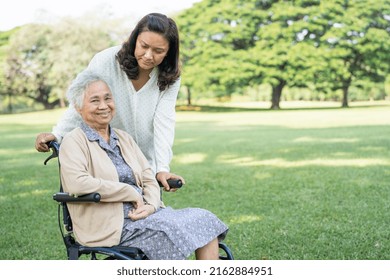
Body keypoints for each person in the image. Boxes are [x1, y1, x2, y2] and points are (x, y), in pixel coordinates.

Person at [58, 70, 228, 260]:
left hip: (144, 214)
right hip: (109, 225)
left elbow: (148, 177)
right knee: (168, 232)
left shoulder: (123, 138)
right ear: (78, 106)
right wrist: (128, 191)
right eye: (95, 101)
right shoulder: (73, 141)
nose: (104, 106)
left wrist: (152, 206)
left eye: (108, 98)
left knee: (201, 217)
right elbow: (77, 183)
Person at [35, 13, 183, 191]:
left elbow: (164, 121)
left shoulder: (170, 75)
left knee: (150, 211)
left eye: (158, 51)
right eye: (144, 46)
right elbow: (81, 101)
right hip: (107, 158)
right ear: (135, 39)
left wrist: (162, 169)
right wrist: (58, 134)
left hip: (145, 163)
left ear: (168, 53)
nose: (148, 56)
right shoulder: (105, 60)